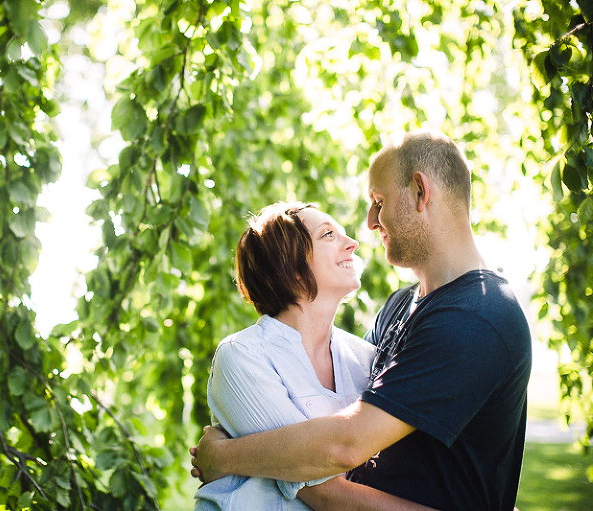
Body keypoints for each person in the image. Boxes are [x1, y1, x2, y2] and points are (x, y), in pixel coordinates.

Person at [191, 131, 532, 511]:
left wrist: (225, 455)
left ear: (421, 192)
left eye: (378, 202)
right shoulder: (401, 306)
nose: (369, 223)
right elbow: (342, 415)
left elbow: (344, 444)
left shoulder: (476, 316)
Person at [195, 201, 434, 510]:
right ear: (289, 265)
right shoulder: (242, 357)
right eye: (328, 235)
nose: (352, 244)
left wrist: (224, 456)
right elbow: (323, 490)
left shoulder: (365, 359)